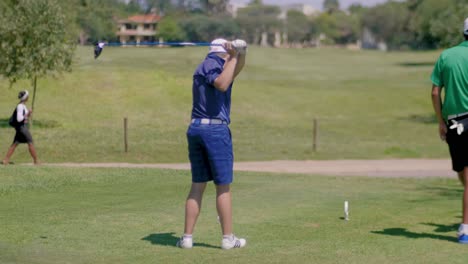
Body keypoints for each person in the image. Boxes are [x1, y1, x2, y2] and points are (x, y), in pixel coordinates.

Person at [177, 38, 247, 249]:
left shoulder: (215, 64)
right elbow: (223, 84)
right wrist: (234, 55)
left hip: (197, 128)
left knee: (198, 185)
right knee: (222, 187)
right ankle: (227, 238)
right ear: (223, 53)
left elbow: (236, 70)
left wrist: (241, 53)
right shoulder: (212, 65)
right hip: (215, 130)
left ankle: (187, 238)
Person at [431, 18, 468, 244]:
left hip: (455, 123)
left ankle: (465, 225)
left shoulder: (447, 55)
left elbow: (435, 93)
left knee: (463, 171)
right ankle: (465, 228)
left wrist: (441, 121)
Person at [2, 90, 39, 165]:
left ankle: (5, 160)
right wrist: (27, 113)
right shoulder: (20, 106)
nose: (28, 97)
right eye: (27, 96)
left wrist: (28, 114)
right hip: (22, 128)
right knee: (30, 142)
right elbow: (19, 119)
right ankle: (36, 161)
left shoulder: (23, 106)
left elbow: (23, 117)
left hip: (21, 128)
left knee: (15, 144)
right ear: (25, 97)